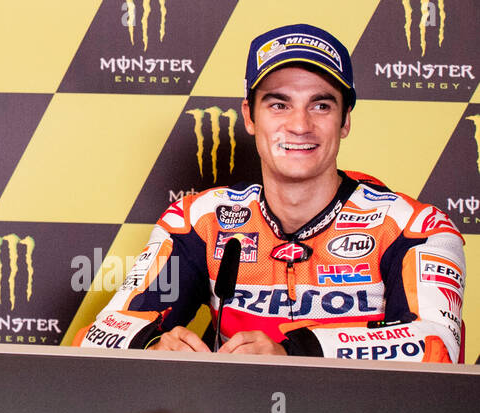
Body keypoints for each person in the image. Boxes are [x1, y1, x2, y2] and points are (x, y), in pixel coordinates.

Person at [74, 23, 465, 362]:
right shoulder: (198, 222)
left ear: (345, 120)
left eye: (321, 106)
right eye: (279, 104)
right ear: (249, 116)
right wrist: (152, 346)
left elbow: (436, 345)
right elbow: (96, 338)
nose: (299, 125)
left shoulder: (415, 228)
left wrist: (292, 354)